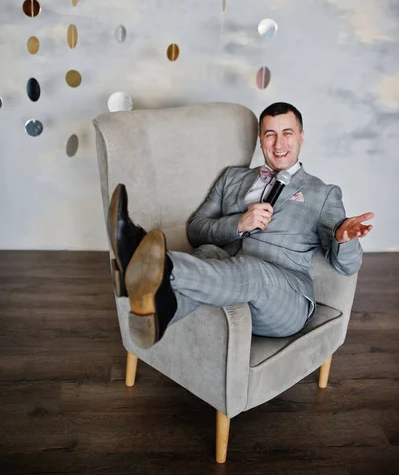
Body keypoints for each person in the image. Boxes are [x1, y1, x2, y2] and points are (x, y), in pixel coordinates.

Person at [107, 102, 374, 349]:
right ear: (260, 139)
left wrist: (344, 239)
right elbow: (196, 230)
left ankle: (145, 262)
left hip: (285, 301)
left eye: (287, 133)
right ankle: (157, 316)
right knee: (207, 253)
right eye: (270, 134)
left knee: (251, 270)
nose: (279, 143)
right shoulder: (232, 178)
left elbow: (346, 266)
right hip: (227, 282)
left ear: (301, 135)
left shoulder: (323, 193)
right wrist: (238, 224)